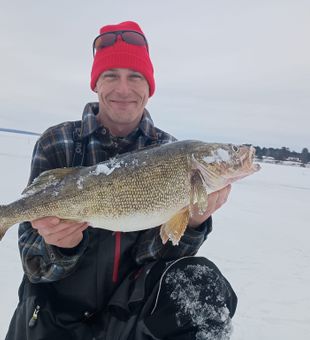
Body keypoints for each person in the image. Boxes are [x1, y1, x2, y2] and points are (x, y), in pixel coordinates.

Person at [6, 21, 237, 340]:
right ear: (96, 83)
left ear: (149, 86)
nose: (123, 89)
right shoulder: (57, 142)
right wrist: (60, 247)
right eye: (111, 75)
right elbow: (34, 266)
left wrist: (193, 221)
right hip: (54, 314)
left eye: (135, 76)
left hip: (130, 312)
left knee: (201, 281)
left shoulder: (171, 151)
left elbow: (165, 267)